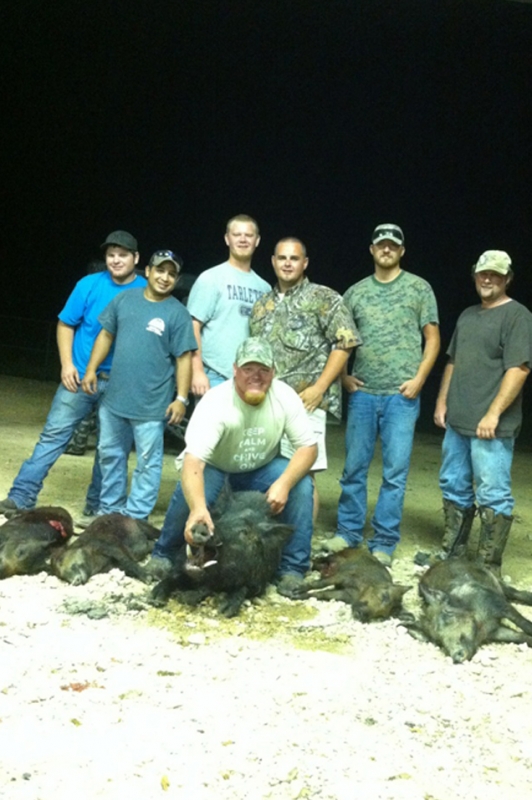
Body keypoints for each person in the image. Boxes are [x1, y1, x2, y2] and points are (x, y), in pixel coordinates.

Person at [146, 337, 318, 596]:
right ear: (235, 370)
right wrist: (198, 508)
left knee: (302, 485)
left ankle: (293, 568)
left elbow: (308, 447)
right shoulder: (216, 402)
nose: (256, 376)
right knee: (193, 490)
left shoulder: (285, 396)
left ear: (273, 372)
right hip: (217, 467)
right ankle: (165, 552)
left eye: (263, 370)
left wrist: (284, 484)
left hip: (262, 468)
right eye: (248, 369)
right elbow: (194, 461)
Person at [0, 231, 146, 518]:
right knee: (53, 436)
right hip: (78, 378)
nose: (116, 260)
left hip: (119, 384)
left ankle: (96, 506)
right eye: (111, 255)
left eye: (123, 255)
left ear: (136, 258)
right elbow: (66, 324)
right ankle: (21, 496)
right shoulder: (88, 285)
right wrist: (67, 364)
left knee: (111, 448)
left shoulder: (145, 291)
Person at [331, 224, 440, 566]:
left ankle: (384, 541)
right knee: (354, 467)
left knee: (395, 473)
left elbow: (433, 338)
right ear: (372, 249)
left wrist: (419, 379)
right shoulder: (355, 293)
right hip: (363, 395)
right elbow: (341, 340)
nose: (387, 249)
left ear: (402, 251)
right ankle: (348, 532)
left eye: (393, 245)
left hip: (401, 397)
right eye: (381, 244)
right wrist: (344, 378)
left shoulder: (419, 288)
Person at [426, 250, 532, 575]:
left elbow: (519, 368)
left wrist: (493, 414)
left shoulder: (518, 316)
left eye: (495, 275)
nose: (488, 279)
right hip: (458, 421)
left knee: (492, 492)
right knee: (453, 484)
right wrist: (442, 401)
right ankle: (453, 554)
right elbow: (453, 361)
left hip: (491, 427)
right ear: (475, 276)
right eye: (483, 273)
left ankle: (488, 567)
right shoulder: (468, 315)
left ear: (507, 279)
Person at [81, 251, 197, 520]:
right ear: (148, 271)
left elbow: (184, 358)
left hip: (151, 407)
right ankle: (110, 513)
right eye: (160, 270)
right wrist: (91, 370)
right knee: (110, 456)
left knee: (147, 463)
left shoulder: (178, 314)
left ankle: (135, 517)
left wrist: (181, 398)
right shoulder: (124, 300)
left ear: (177, 280)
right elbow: (105, 335)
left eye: (171, 274)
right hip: (114, 400)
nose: (165, 277)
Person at [249, 237, 361, 508]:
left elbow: (345, 342)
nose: (288, 263)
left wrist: (319, 388)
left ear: (305, 263)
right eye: (282, 258)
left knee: (303, 477)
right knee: (266, 473)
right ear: (273, 261)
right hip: (267, 404)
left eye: (294, 258)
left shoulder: (324, 298)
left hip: (305, 404)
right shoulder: (262, 305)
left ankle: (302, 537)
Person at [187, 214, 270, 396]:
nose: (243, 239)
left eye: (248, 235)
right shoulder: (210, 278)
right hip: (214, 375)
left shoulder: (265, 288)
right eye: (237, 234)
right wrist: (197, 371)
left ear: (257, 241)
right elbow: (192, 326)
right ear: (227, 239)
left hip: (251, 379)